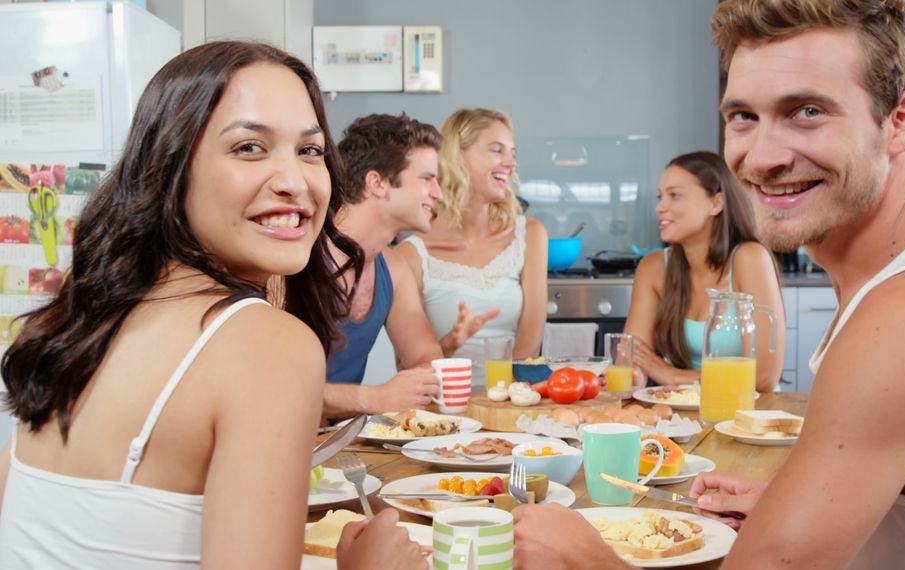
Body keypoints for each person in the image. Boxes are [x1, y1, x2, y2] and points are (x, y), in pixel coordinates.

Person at [513, 0, 905, 568]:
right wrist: (797, 507)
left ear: (901, 120)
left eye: (807, 111)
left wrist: (585, 558)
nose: (760, 157)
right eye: (743, 117)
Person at [0, 42, 426, 569]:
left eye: (310, 151)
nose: (295, 182)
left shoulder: (66, 322)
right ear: (171, 168)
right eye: (249, 148)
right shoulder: (267, 347)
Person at [322, 113, 499, 418]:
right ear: (377, 183)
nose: (438, 194)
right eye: (427, 179)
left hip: (341, 442)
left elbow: (425, 363)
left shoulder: (393, 269)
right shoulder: (299, 264)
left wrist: (444, 354)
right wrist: (375, 398)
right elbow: (274, 387)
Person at [397, 108, 548, 386]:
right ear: (457, 156)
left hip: (510, 403)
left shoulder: (530, 235)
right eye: (496, 150)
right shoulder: (410, 256)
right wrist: (452, 342)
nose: (510, 163)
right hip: (443, 411)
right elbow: (413, 366)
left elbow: (528, 349)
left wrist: (498, 406)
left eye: (513, 153)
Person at [624, 151, 785, 391]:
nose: (660, 207)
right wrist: (633, 375)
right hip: (684, 414)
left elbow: (764, 378)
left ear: (716, 203)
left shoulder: (750, 258)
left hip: (749, 415)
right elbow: (632, 356)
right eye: (660, 196)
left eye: (674, 195)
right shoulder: (653, 268)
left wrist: (673, 375)